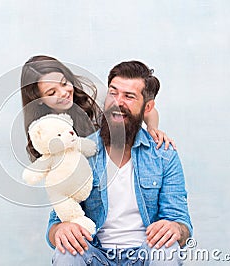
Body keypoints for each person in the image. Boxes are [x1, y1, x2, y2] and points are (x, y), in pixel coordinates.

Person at [47, 61, 193, 265]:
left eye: (129, 96)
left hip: (145, 254)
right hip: (95, 254)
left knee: (167, 249)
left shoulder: (164, 155)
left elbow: (181, 223)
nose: (118, 102)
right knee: (66, 253)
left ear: (147, 107)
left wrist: (176, 228)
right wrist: (60, 230)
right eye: (113, 93)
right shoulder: (78, 154)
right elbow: (55, 224)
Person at [20, 55, 175, 161]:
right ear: (38, 100)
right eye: (52, 92)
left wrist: (153, 129)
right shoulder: (40, 130)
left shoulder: (94, 94)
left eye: (64, 83)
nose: (63, 93)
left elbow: (144, 110)